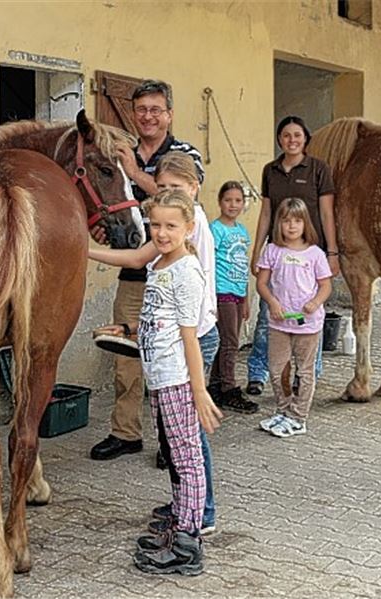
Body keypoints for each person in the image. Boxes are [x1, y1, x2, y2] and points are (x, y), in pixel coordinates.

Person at [90, 152, 222, 535]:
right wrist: (131, 327)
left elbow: (187, 329)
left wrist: (199, 390)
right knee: (178, 444)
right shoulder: (166, 249)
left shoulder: (185, 245)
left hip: (189, 348)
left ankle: (199, 518)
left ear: (193, 192)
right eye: (160, 188)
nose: (166, 195)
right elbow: (139, 266)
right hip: (171, 352)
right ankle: (186, 509)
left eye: (174, 189)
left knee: (189, 446)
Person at [90, 79, 204, 461]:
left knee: (171, 360)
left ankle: (171, 439)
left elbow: (178, 199)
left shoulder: (184, 154)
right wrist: (101, 230)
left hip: (173, 274)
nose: (148, 116)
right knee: (126, 358)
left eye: (156, 109)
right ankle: (126, 433)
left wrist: (135, 172)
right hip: (135, 274)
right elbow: (114, 203)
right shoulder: (123, 152)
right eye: (141, 110)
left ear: (169, 114)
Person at [246, 115, 337, 397]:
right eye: (286, 135)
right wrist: (258, 248)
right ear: (279, 139)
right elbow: (266, 213)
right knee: (268, 315)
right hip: (278, 251)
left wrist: (331, 251)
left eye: (297, 135)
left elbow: (326, 213)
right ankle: (258, 373)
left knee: (310, 313)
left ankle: (308, 374)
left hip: (310, 250)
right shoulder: (270, 170)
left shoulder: (318, 169)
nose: (292, 140)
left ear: (305, 139)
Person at [256, 198, 333, 437]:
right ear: (279, 224)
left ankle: (299, 417)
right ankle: (283, 410)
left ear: (305, 224)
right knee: (277, 369)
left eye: (297, 221)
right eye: (286, 221)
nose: (291, 226)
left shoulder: (315, 254)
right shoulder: (272, 250)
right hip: (279, 322)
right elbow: (262, 283)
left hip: (307, 325)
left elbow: (325, 286)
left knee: (304, 371)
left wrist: (315, 302)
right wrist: (272, 302)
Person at [208, 181, 257, 411]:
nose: (233, 205)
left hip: (238, 293)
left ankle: (216, 385)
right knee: (230, 343)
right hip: (222, 291)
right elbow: (209, 263)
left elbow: (242, 265)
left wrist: (246, 299)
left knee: (226, 342)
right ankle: (229, 388)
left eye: (238, 201)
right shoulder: (215, 230)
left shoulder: (242, 232)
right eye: (228, 200)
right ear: (220, 202)